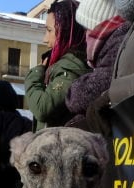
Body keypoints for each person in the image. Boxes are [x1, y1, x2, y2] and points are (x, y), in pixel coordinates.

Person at [63, 0, 128, 130]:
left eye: (87, 29)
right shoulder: (114, 41)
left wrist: (74, 90)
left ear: (97, 26)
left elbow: (102, 82)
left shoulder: (118, 41)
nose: (85, 36)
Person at [24, 0, 89, 130]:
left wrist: (35, 75)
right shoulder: (68, 63)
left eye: (49, 31)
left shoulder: (70, 66)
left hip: (60, 147)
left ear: (65, 31)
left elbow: (42, 108)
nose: (45, 39)